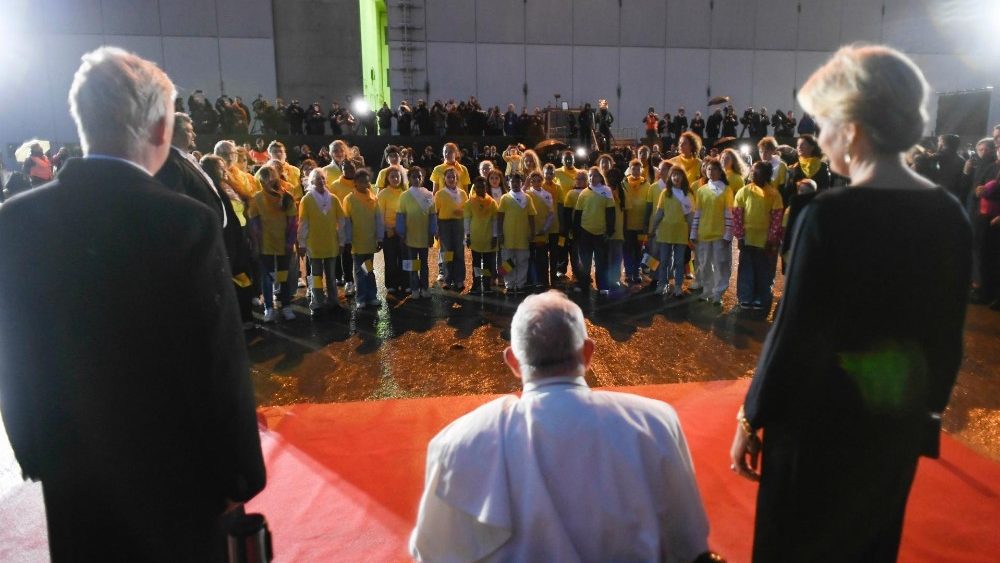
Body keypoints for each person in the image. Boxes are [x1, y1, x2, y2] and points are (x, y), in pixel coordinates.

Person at [0, 46, 265, 562]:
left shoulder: (17, 221)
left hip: (72, 470)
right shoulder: (182, 222)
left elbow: (12, 350)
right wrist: (239, 473)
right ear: (161, 127)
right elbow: (216, 362)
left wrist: (35, 450)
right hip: (176, 477)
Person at [730, 45, 972, 562]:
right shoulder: (949, 215)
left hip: (816, 431)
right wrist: (916, 418)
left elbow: (792, 334)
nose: (820, 137)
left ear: (856, 126)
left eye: (825, 122)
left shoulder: (829, 216)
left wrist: (752, 417)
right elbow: (946, 342)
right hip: (892, 433)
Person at [410, 291, 711, 562]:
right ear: (588, 353)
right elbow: (689, 541)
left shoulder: (456, 443)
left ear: (513, 361)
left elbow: (433, 553)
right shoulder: (656, 423)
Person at [249, 165, 298, 322]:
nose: (270, 180)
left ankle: (286, 306)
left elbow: (292, 223)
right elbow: (254, 223)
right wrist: (257, 243)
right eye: (266, 177)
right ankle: (268, 307)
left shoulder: (287, 197)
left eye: (272, 176)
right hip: (266, 245)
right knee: (267, 277)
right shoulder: (256, 198)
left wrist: (290, 242)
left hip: (284, 244)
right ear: (261, 181)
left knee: (283, 276)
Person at [733, 161, 784, 310]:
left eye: (757, 172)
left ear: (766, 175)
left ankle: (761, 298)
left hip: (764, 241)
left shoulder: (774, 194)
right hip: (748, 239)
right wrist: (740, 237)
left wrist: (771, 239)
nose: (753, 174)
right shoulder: (744, 191)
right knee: (746, 269)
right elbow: (737, 216)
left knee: (764, 271)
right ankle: (745, 297)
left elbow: (776, 218)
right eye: (753, 171)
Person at [298, 167, 346, 314]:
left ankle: (333, 300)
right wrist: (302, 243)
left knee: (331, 276)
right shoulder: (307, 199)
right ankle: (317, 302)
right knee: (316, 276)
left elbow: (342, 221)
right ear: (312, 181)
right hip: (314, 244)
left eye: (323, 178)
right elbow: (303, 223)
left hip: (331, 243)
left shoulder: (333, 198)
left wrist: (342, 241)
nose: (321, 181)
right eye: (317, 179)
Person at [689, 158, 734, 305]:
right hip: (704, 233)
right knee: (704, 263)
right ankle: (707, 290)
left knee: (721, 263)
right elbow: (698, 213)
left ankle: (718, 293)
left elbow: (729, 213)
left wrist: (728, 233)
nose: (711, 172)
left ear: (720, 172)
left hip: (720, 234)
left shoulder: (727, 190)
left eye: (714, 169)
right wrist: (694, 232)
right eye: (708, 169)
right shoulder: (701, 191)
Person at [650, 165, 696, 297]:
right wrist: (653, 228)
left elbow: (690, 216)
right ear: (670, 177)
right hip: (665, 231)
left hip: (681, 232)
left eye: (679, 175)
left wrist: (693, 233)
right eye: (674, 175)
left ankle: (678, 286)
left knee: (679, 261)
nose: (676, 177)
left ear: (683, 177)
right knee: (664, 260)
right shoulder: (665, 193)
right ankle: (662, 284)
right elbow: (659, 212)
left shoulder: (687, 194)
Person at [343, 168, 384, 309]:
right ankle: (361, 298)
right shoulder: (349, 199)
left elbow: (378, 220)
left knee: (368, 270)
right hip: (357, 243)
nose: (364, 184)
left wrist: (380, 238)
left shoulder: (373, 198)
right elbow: (346, 222)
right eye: (361, 181)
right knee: (360, 272)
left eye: (366, 181)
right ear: (355, 182)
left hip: (369, 242)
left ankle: (371, 296)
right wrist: (347, 240)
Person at [574, 167, 616, 294]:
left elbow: (611, 212)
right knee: (584, 262)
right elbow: (578, 214)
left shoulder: (607, 191)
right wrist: (576, 231)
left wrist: (609, 230)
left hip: (601, 233)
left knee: (601, 262)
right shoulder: (583, 193)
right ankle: (583, 285)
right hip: (585, 231)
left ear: (600, 177)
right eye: (590, 176)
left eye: (595, 175)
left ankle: (603, 286)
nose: (593, 178)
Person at [397, 167, 437, 298]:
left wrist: (432, 234)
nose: (416, 179)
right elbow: (401, 216)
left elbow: (432, 216)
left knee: (424, 264)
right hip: (410, 237)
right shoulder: (404, 196)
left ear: (422, 178)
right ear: (409, 179)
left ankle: (425, 287)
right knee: (412, 264)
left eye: (419, 176)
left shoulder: (429, 195)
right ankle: (414, 287)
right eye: (413, 176)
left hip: (424, 237)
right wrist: (402, 234)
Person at [497, 173, 537, 294]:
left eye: (517, 182)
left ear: (522, 182)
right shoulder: (505, 198)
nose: (515, 184)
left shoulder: (527, 198)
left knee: (522, 261)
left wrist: (532, 232)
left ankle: (520, 284)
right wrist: (500, 233)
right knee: (507, 262)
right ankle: (509, 284)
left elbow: (531, 216)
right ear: (508, 183)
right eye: (512, 182)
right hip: (508, 236)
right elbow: (500, 216)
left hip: (522, 237)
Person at [434, 167, 469, 291]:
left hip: (459, 224)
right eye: (448, 177)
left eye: (453, 177)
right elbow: (435, 212)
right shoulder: (440, 194)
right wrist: (436, 228)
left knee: (459, 251)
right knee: (447, 253)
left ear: (457, 178)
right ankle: (448, 279)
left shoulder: (462, 193)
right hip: (444, 224)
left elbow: (467, 210)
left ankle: (459, 279)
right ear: (444, 179)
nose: (451, 179)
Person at [377, 165, 408, 295]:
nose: (395, 178)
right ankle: (391, 284)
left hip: (403, 232)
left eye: (397, 176)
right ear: (387, 178)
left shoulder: (405, 193)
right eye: (392, 176)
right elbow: (380, 214)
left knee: (404, 258)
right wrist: (387, 229)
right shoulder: (383, 194)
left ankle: (405, 283)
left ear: (401, 178)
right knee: (390, 259)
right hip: (388, 232)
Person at [465, 177, 500, 293]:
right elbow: (467, 220)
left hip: (488, 238)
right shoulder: (470, 202)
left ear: (486, 187)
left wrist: (495, 236)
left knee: (487, 263)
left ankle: (486, 284)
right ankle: (476, 284)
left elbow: (495, 221)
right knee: (475, 262)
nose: (480, 189)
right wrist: (467, 236)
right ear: (474, 188)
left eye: (483, 187)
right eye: (478, 187)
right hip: (475, 238)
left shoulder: (492, 202)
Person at [622, 159, 651, 285]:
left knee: (639, 249)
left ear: (641, 170)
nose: (636, 171)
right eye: (633, 168)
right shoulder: (623, 183)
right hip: (627, 223)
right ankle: (629, 272)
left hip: (640, 223)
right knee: (627, 249)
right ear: (629, 169)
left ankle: (636, 271)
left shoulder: (647, 184)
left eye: (638, 169)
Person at [781, 134, 830, 205]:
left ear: (812, 147)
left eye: (803, 144)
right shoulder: (794, 167)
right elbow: (788, 192)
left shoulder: (821, 167)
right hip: (796, 206)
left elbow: (824, 191)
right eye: (798, 145)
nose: (799, 147)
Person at [526, 171, 555, 288]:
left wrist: (545, 228)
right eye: (533, 181)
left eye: (538, 180)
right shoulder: (527, 194)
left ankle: (543, 280)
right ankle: (531, 280)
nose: (536, 183)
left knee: (542, 257)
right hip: (529, 231)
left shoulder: (547, 195)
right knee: (530, 257)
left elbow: (551, 214)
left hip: (542, 232)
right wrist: (526, 183)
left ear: (542, 181)